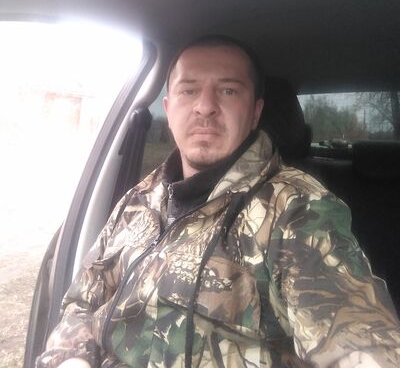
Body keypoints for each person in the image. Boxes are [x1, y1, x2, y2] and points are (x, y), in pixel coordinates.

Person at [37, 36, 400, 368]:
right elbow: (82, 300)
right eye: (189, 90)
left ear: (255, 112)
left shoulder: (296, 208)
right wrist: (72, 358)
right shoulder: (139, 198)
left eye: (228, 91)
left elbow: (356, 332)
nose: (205, 107)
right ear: (169, 108)